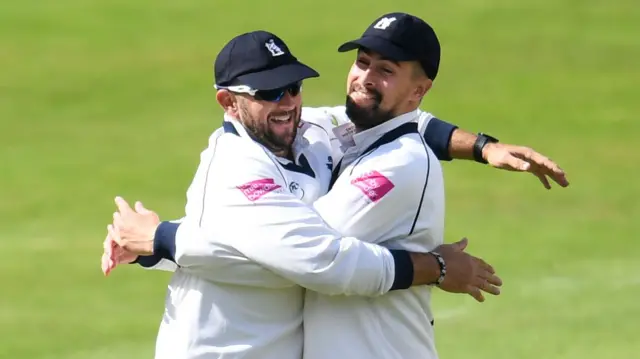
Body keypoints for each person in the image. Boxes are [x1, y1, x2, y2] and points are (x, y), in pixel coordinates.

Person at [103, 27, 503, 359]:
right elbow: (316, 263)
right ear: (228, 102)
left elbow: (394, 119)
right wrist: (433, 267)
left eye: (293, 86)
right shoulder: (236, 169)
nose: (288, 103)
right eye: (268, 93)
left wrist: (484, 147)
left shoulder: (308, 131)